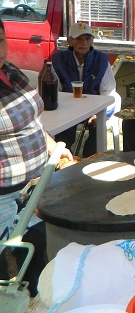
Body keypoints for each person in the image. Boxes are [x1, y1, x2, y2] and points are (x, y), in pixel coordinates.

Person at [1, 19, 73, 293]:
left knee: (40, 245)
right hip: (3, 193)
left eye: (0, 40)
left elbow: (31, 120)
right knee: (7, 259)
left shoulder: (9, 71)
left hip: (36, 182)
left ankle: (36, 298)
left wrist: (53, 146)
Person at [52, 22, 119, 157]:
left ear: (92, 41)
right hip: (68, 108)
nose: (84, 43)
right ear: (70, 41)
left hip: (93, 109)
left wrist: (98, 112)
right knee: (62, 130)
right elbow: (55, 90)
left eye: (87, 39)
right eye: (79, 39)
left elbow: (108, 91)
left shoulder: (101, 59)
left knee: (96, 128)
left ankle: (90, 162)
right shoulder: (58, 60)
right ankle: (63, 161)